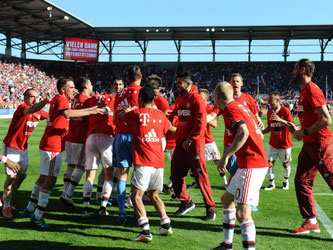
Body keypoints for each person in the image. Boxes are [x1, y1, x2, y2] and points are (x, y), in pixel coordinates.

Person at [23, 76, 105, 228]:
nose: (73, 90)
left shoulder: (57, 98)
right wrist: (91, 111)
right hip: (53, 146)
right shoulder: (62, 99)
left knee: (42, 179)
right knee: (50, 181)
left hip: (48, 143)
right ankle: (38, 216)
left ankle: (29, 208)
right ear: (63, 89)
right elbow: (68, 114)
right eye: (71, 87)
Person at [210, 81, 268, 250]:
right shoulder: (240, 106)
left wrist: (226, 156)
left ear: (217, 96)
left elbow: (243, 132)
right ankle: (227, 244)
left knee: (243, 214)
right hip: (248, 162)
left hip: (252, 163)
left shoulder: (230, 109)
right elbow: (257, 134)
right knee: (226, 200)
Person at [119, 87, 175, 242]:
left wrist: (130, 109)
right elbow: (171, 128)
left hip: (144, 161)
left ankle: (145, 231)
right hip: (158, 161)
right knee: (154, 195)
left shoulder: (136, 114)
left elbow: (120, 116)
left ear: (141, 99)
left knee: (136, 196)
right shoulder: (161, 115)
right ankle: (166, 225)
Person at [288, 58, 333, 234]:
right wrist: (299, 129)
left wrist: (305, 132)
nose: (292, 72)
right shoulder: (303, 92)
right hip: (309, 144)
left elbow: (326, 119)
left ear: (303, 70)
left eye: (295, 69)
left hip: (320, 143)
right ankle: (311, 221)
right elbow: (312, 119)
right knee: (301, 181)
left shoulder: (312, 90)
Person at [170, 71, 216, 221]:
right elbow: (175, 114)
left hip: (194, 143)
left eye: (180, 82)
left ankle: (210, 208)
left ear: (188, 84)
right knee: (176, 173)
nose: (177, 85)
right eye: (177, 82)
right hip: (180, 143)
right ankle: (186, 201)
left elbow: (201, 123)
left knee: (200, 176)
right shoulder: (179, 97)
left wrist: (190, 139)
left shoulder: (197, 99)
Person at [2, 88, 49, 218]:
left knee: (22, 175)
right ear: (25, 98)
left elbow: (51, 116)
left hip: (23, 148)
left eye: (36, 97)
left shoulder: (39, 111)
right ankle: (6, 205)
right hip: (11, 147)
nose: (34, 99)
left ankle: (6, 197)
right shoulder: (22, 108)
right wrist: (46, 101)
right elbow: (30, 110)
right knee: (11, 178)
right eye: (31, 97)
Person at [113, 65, 143, 224]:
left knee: (122, 174)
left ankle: (121, 213)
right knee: (139, 172)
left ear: (127, 78)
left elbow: (113, 119)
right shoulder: (141, 91)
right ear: (141, 76)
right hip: (135, 135)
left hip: (119, 135)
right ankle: (139, 210)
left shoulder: (119, 93)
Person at [82, 89, 116, 217]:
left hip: (92, 137)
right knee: (109, 176)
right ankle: (103, 207)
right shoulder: (114, 100)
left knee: (89, 176)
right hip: (107, 137)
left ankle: (85, 208)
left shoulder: (93, 98)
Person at [60, 77, 93, 207]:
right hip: (81, 138)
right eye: (90, 84)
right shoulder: (87, 101)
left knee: (70, 165)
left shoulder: (73, 99)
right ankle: (68, 194)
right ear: (85, 87)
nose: (91, 86)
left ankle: (64, 192)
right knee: (81, 166)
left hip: (70, 136)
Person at [262, 91, 293, 191]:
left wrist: (280, 120)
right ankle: (272, 184)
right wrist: (260, 132)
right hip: (273, 143)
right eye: (269, 100)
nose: (269, 102)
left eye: (271, 101)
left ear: (278, 100)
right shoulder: (270, 112)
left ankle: (285, 181)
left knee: (285, 164)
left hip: (285, 143)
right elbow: (270, 127)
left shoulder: (285, 111)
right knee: (269, 164)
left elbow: (292, 126)